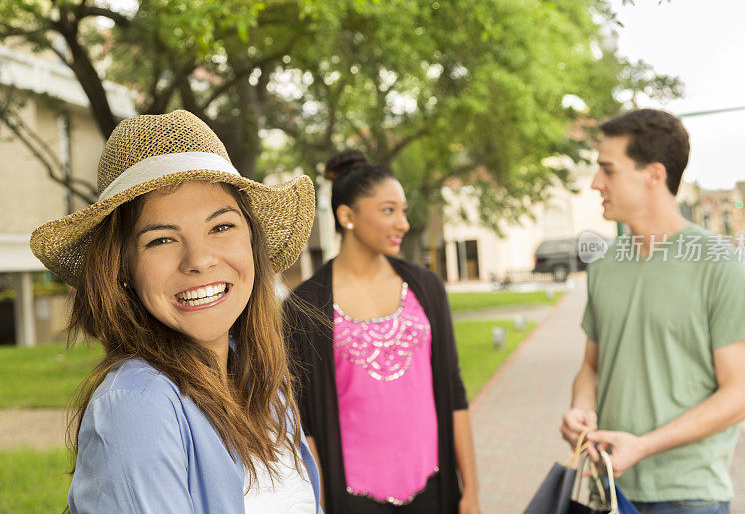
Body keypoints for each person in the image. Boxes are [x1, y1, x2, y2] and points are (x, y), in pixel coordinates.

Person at [30, 110, 323, 513]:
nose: (199, 260)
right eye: (162, 239)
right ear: (123, 267)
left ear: (252, 241)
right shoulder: (138, 404)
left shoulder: (263, 383)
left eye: (221, 227)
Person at [560, 109, 745, 514]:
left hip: (688, 494)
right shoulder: (603, 264)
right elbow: (592, 367)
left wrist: (644, 446)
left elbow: (739, 395)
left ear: (654, 175)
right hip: (610, 488)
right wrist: (581, 407)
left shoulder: (720, 263)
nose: (595, 183)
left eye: (608, 170)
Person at [283, 150, 480, 514]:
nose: (403, 223)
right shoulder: (305, 306)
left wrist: (471, 492)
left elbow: (453, 391)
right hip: (352, 500)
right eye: (389, 210)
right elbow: (304, 421)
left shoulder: (426, 287)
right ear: (347, 216)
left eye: (403, 210)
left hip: (434, 490)